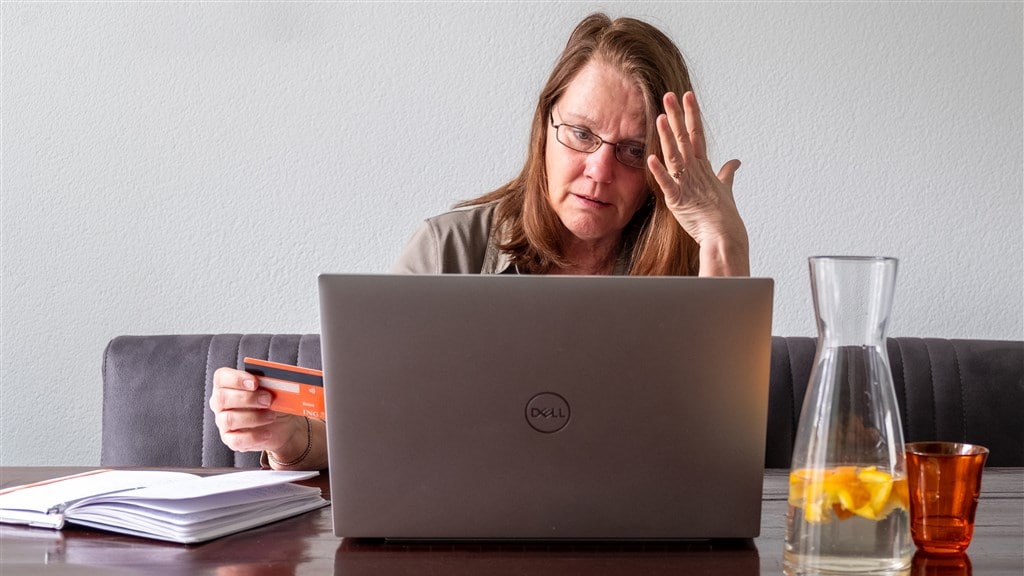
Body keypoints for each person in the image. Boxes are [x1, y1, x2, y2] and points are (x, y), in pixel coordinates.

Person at [209, 13, 749, 470]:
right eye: (582, 134)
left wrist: (721, 238)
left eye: (632, 151)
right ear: (545, 127)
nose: (599, 170)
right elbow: (374, 432)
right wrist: (289, 438)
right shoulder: (448, 249)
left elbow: (722, 449)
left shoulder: (693, 271)